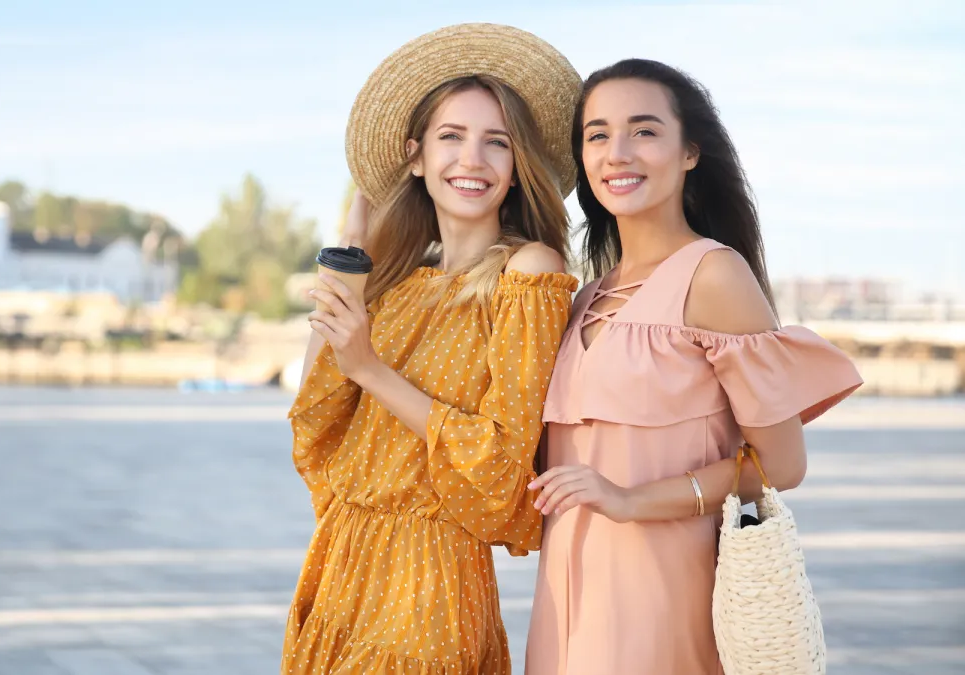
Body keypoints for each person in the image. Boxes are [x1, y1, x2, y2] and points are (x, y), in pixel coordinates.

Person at [524, 59, 864, 675]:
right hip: (565, 593)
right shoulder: (584, 297)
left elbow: (781, 465)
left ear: (689, 153)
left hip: (665, 590)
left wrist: (630, 499)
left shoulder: (714, 275)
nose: (617, 152)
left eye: (644, 130)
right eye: (598, 135)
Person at [282, 23, 582, 674]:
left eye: (496, 142)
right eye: (451, 136)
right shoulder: (397, 281)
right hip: (340, 562)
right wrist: (352, 248)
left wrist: (370, 369)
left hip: (428, 580)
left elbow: (502, 461)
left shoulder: (528, 272)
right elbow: (316, 413)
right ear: (415, 157)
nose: (472, 159)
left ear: (517, 169)